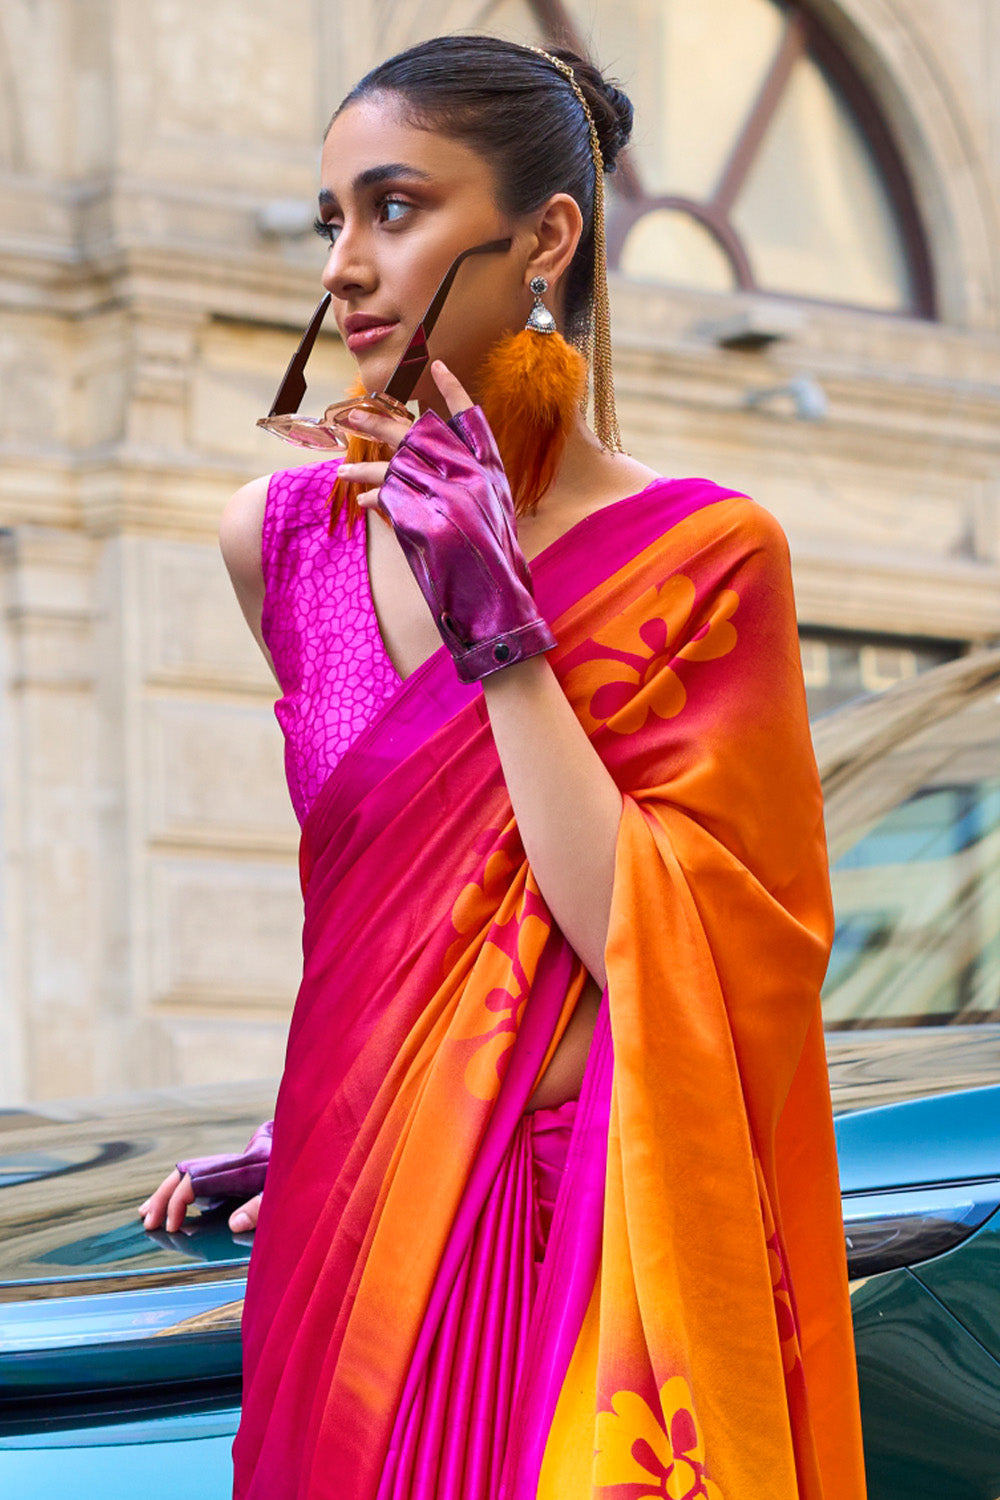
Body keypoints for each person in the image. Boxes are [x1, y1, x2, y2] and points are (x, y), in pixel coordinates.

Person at [139, 34, 866, 1500]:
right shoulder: (276, 544)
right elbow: (392, 928)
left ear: (545, 237)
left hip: (564, 1249)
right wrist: (326, 1107)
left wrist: (504, 634)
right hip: (353, 1229)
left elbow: (660, 951)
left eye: (393, 210)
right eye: (328, 217)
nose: (344, 263)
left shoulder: (711, 560)